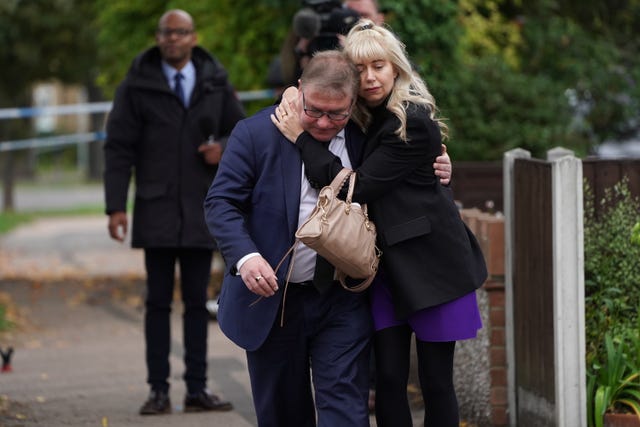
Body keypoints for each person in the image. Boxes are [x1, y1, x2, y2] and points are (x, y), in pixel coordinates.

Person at [272, 19, 487, 427]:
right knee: (387, 379)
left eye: (379, 66)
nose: (369, 77)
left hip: (434, 267)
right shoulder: (362, 117)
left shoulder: (412, 120)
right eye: (360, 69)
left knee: (435, 381)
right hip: (387, 269)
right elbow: (310, 88)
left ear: (396, 68)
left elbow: (360, 187)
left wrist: (300, 138)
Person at [204, 50, 373, 427]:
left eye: (337, 114)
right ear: (298, 90)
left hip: (342, 298)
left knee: (345, 408)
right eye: (314, 110)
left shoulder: (366, 138)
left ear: (353, 103)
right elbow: (220, 203)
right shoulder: (255, 133)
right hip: (272, 302)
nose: (325, 123)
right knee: (282, 413)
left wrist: (436, 163)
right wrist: (246, 258)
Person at [103, 9, 244, 416]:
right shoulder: (137, 84)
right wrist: (115, 206)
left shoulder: (215, 80)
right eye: (167, 33)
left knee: (198, 304)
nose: (173, 40)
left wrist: (224, 149)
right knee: (158, 303)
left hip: (202, 207)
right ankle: (158, 391)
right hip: (156, 208)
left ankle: (197, 390)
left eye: (181, 33)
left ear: (193, 38)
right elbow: (118, 147)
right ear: (158, 36)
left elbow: (243, 131)